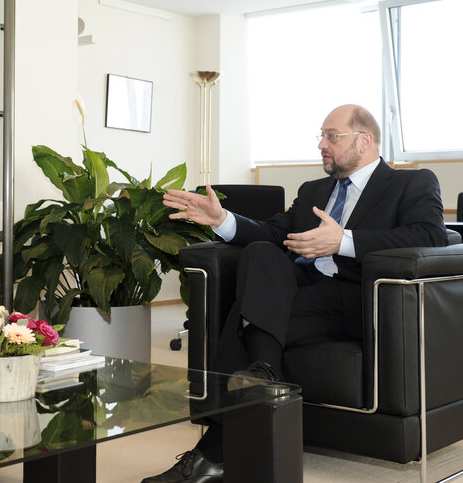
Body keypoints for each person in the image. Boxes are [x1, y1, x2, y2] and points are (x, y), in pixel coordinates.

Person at [144, 104, 448, 482]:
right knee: (260, 253)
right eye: (321, 136)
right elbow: (273, 234)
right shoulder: (313, 190)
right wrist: (222, 220)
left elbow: (430, 237)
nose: (322, 144)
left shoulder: (411, 183)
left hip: (355, 297)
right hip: (300, 289)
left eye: (331, 136)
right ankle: (263, 375)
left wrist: (345, 241)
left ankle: (211, 454)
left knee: (245, 314)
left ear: (364, 140)